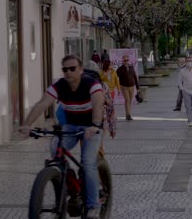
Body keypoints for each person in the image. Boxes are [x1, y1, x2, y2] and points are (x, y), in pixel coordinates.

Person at [19, 55, 104, 218]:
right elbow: (43, 103)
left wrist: (95, 124)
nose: (68, 72)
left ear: (80, 70)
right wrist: (27, 124)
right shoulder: (60, 85)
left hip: (91, 127)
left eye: (72, 68)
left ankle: (93, 205)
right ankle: (72, 186)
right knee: (55, 150)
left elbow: (98, 103)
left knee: (87, 162)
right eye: (65, 69)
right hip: (71, 126)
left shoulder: (91, 84)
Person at [116, 55, 140, 121]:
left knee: (130, 100)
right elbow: (115, 77)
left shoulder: (131, 67)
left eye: (127, 60)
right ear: (122, 61)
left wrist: (138, 87)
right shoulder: (120, 69)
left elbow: (135, 77)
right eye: (125, 60)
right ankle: (128, 115)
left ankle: (128, 114)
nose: (126, 61)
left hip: (131, 86)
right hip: (124, 87)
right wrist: (117, 86)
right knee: (127, 100)